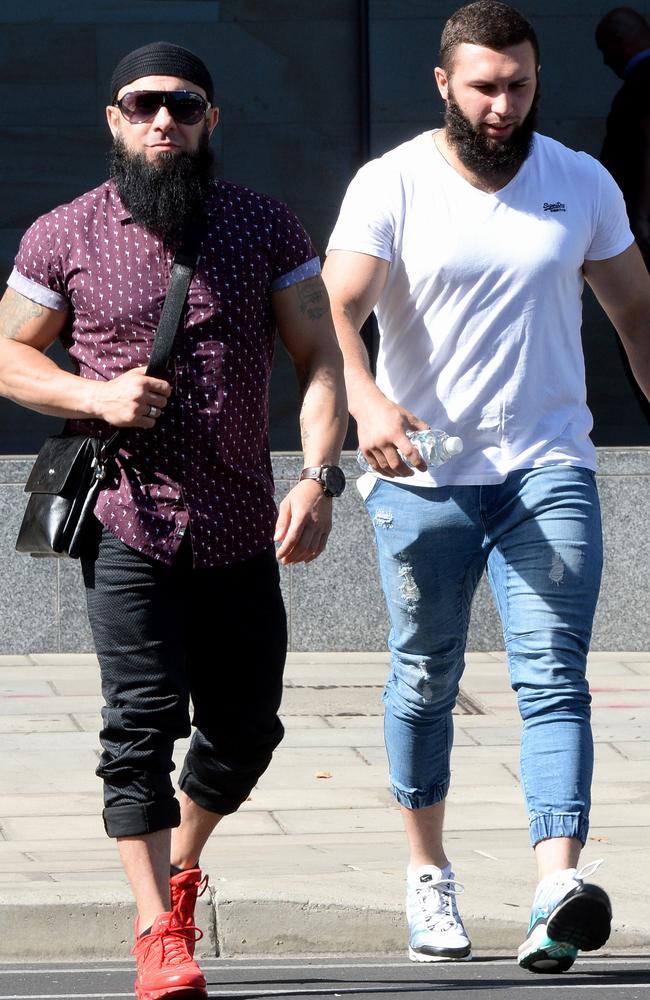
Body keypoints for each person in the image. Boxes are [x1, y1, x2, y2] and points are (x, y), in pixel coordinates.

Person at [0, 42, 347, 1000]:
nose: (165, 121)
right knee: (140, 722)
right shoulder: (63, 233)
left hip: (241, 515)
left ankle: (183, 870)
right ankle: (157, 930)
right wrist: (95, 395)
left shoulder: (264, 225)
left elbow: (320, 356)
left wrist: (319, 476)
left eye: (184, 106)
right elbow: (5, 355)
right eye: (144, 105)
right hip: (126, 519)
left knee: (246, 727)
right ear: (114, 119)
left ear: (211, 121)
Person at [323, 0, 650, 976]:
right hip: (419, 475)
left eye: (516, 84)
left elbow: (633, 305)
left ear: (535, 79)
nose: (500, 105)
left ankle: (555, 881)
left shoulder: (578, 182)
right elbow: (332, 307)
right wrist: (368, 404)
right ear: (443, 85)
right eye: (482, 86)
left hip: (546, 470)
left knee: (551, 674)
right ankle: (426, 872)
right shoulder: (391, 184)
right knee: (424, 676)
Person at [597, 7, 650, 268]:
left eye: (604, 48)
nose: (606, 61)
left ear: (620, 40)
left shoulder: (642, 83)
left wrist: (641, 216)